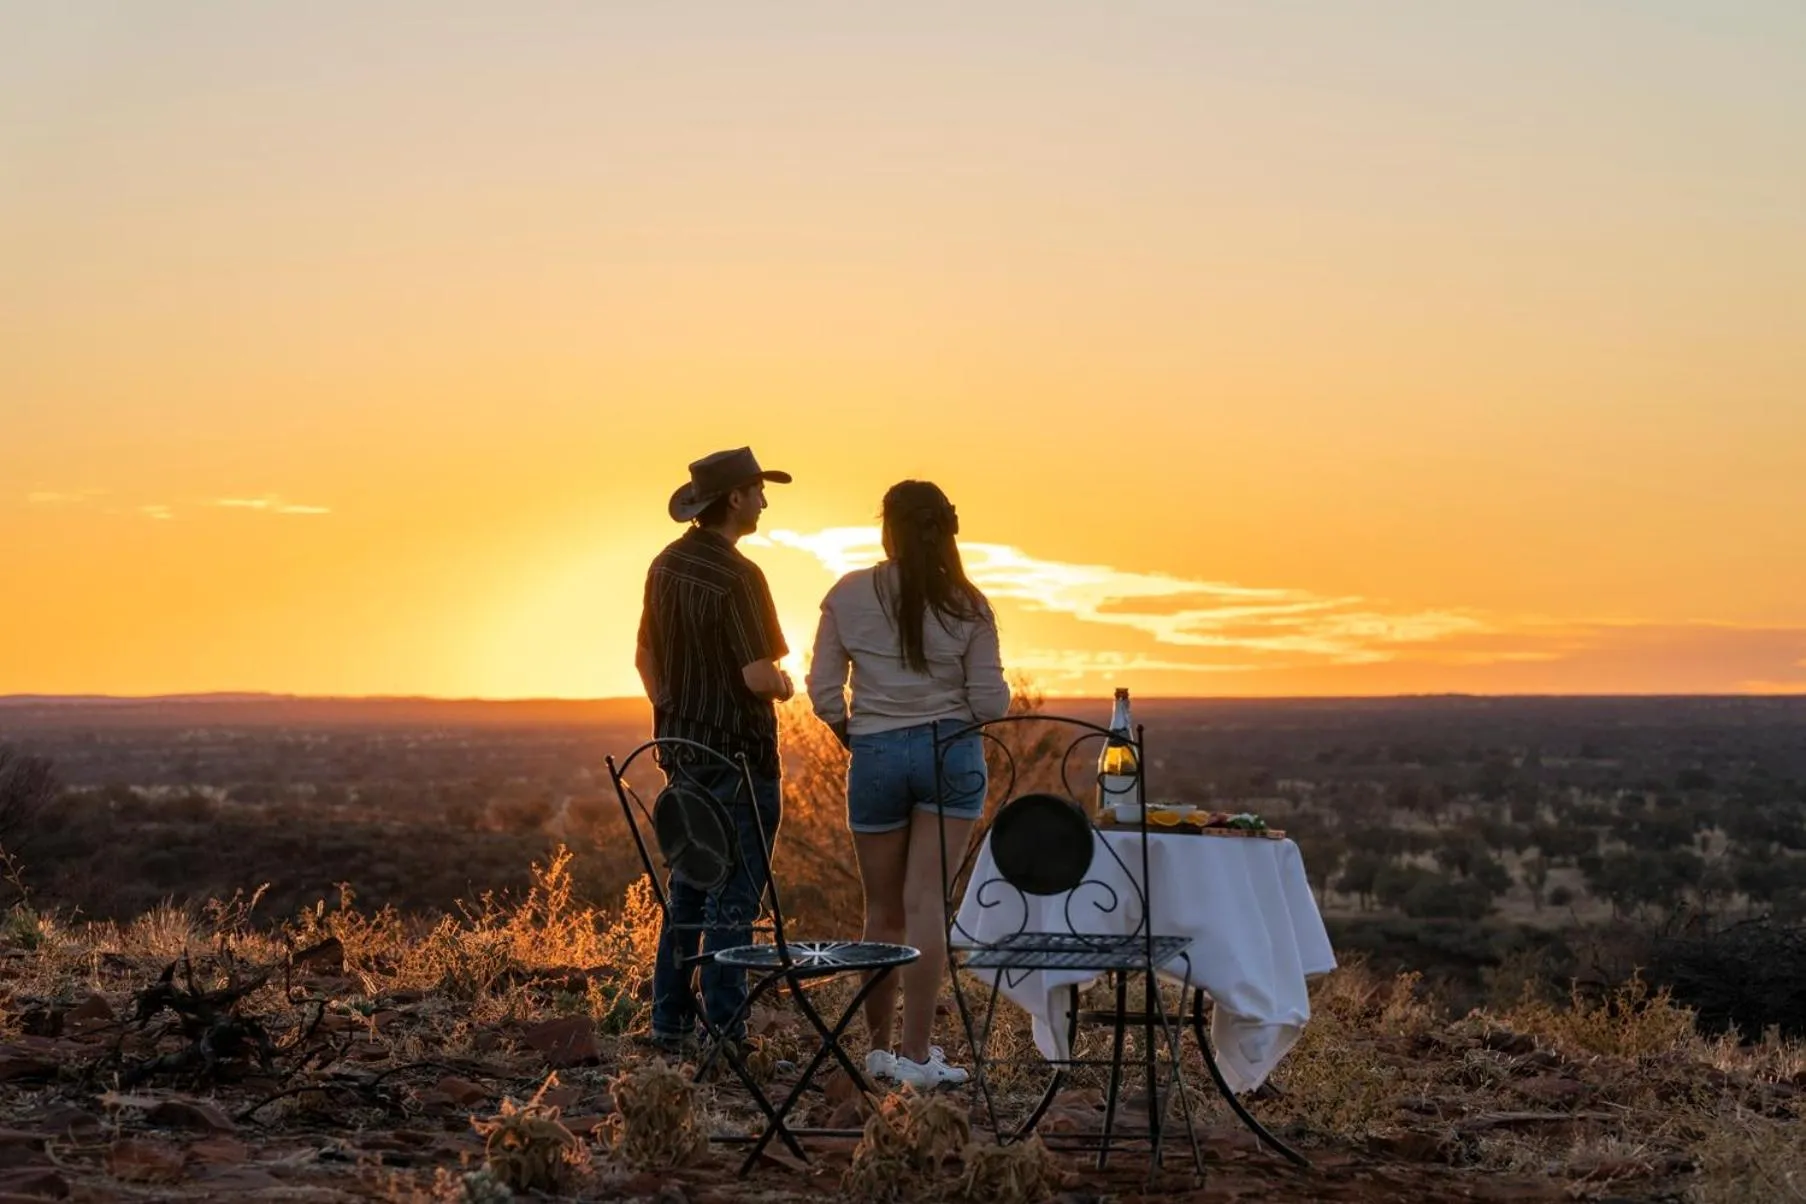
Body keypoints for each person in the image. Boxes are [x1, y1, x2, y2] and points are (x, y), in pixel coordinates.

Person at [807, 479, 1010, 1088]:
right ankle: (919, 1057)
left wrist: (855, 730)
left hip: (874, 753)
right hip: (951, 751)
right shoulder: (969, 604)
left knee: (883, 909)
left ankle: (876, 1053)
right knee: (927, 904)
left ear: (887, 528)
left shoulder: (846, 593)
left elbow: (821, 691)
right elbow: (991, 702)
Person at [636, 446, 795, 1056]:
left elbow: (644, 659)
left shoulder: (664, 566)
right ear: (733, 498)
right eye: (757, 490)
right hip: (739, 758)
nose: (763, 500)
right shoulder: (741, 576)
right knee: (737, 896)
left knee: (688, 889)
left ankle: (669, 1024)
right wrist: (785, 685)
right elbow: (758, 676)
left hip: (682, 756)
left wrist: (670, 717)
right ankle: (728, 1032)